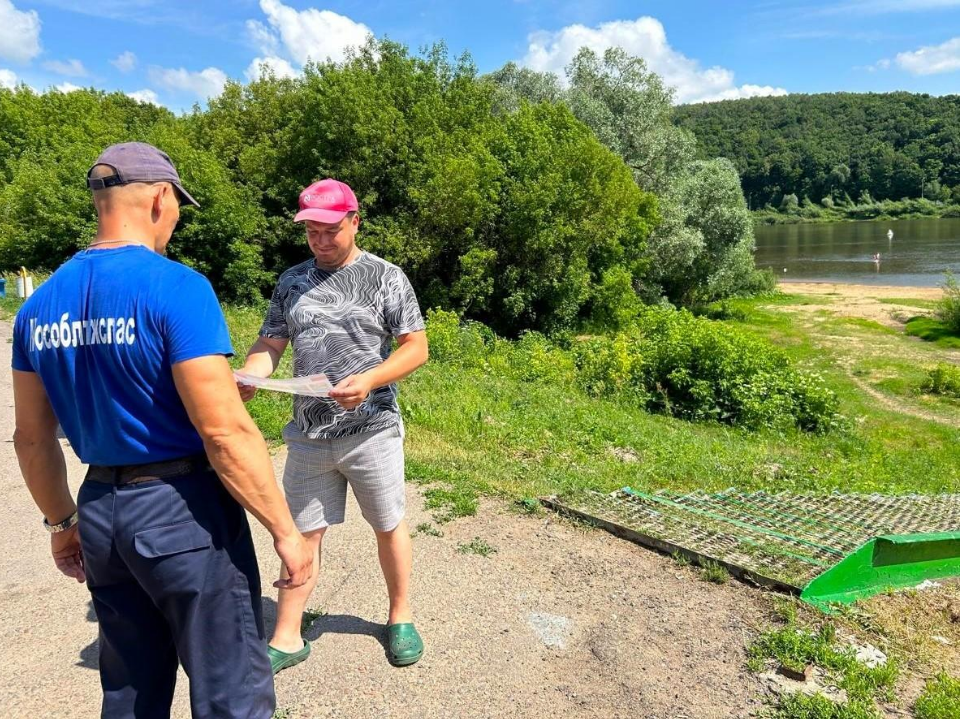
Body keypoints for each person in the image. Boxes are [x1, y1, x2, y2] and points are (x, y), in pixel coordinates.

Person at [11, 142, 314, 719]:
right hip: (182, 509)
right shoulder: (177, 287)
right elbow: (224, 432)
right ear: (158, 198)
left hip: (101, 510)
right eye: (177, 204)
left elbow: (31, 437)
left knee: (129, 690)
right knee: (231, 689)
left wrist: (61, 523)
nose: (175, 218)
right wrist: (285, 530)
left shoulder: (38, 307)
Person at [238, 178, 429, 673]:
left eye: (330, 230)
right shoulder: (292, 281)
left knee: (387, 524)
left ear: (354, 222)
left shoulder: (387, 277)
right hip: (309, 433)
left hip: (373, 428)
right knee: (302, 534)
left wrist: (368, 379)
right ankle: (287, 634)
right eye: (311, 232)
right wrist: (253, 375)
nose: (320, 241)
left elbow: (415, 348)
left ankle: (400, 616)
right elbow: (271, 342)